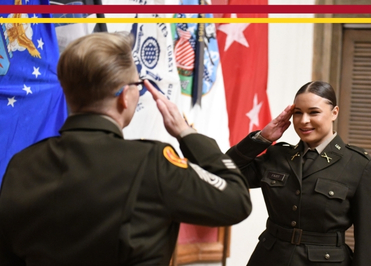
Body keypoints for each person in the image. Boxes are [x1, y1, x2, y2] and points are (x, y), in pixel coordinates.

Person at [0, 32, 252, 266]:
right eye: (137, 85)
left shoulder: (21, 165)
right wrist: (186, 132)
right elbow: (236, 199)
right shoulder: (151, 163)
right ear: (124, 96)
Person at [226, 81, 371, 266]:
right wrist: (262, 139)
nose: (303, 120)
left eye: (314, 112)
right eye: (298, 113)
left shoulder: (358, 165)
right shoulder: (278, 155)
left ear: (334, 113)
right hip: (269, 258)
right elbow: (226, 171)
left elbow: (368, 239)